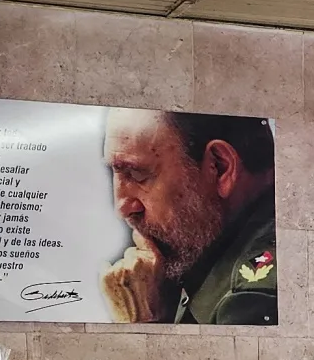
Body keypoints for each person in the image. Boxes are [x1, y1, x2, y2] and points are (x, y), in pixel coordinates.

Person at [100, 109, 278, 325]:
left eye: (137, 174)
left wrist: (142, 322)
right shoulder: (208, 247)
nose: (122, 208)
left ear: (219, 167)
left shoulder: (249, 300)